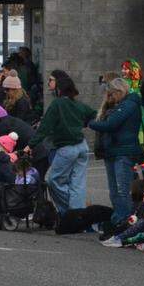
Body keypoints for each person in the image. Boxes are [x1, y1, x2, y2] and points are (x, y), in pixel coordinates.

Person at [31, 70, 95, 216]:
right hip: (81, 146)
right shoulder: (76, 103)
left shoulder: (57, 104)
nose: (48, 83)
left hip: (65, 147)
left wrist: (31, 144)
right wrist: (82, 124)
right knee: (77, 184)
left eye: (51, 80)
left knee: (54, 181)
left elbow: (44, 128)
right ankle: (78, 213)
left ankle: (73, 212)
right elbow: (93, 114)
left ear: (59, 84)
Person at [88, 78, 143, 228]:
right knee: (114, 190)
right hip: (113, 151)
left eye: (111, 95)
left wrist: (90, 123)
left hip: (123, 152)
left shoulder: (129, 104)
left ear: (119, 91)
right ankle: (119, 219)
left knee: (122, 190)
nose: (110, 98)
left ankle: (125, 220)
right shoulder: (122, 105)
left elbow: (111, 125)